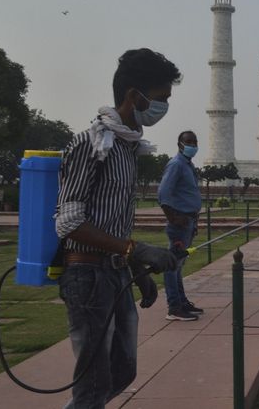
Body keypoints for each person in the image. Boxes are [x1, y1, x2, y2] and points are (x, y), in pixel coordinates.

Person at [55, 48, 181, 408]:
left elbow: (112, 220)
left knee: (123, 371)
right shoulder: (91, 144)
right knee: (93, 385)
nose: (163, 107)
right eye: (160, 99)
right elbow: (69, 220)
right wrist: (136, 250)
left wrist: (135, 268)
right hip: (86, 276)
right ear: (133, 96)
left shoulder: (126, 148)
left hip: (113, 273)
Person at [159, 130, 203, 321]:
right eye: (189, 142)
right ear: (180, 144)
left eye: (195, 141)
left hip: (188, 221)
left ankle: (181, 302)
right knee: (172, 265)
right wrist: (173, 217)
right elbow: (163, 193)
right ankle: (174, 307)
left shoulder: (187, 165)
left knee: (178, 265)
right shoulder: (176, 164)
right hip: (180, 222)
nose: (193, 145)